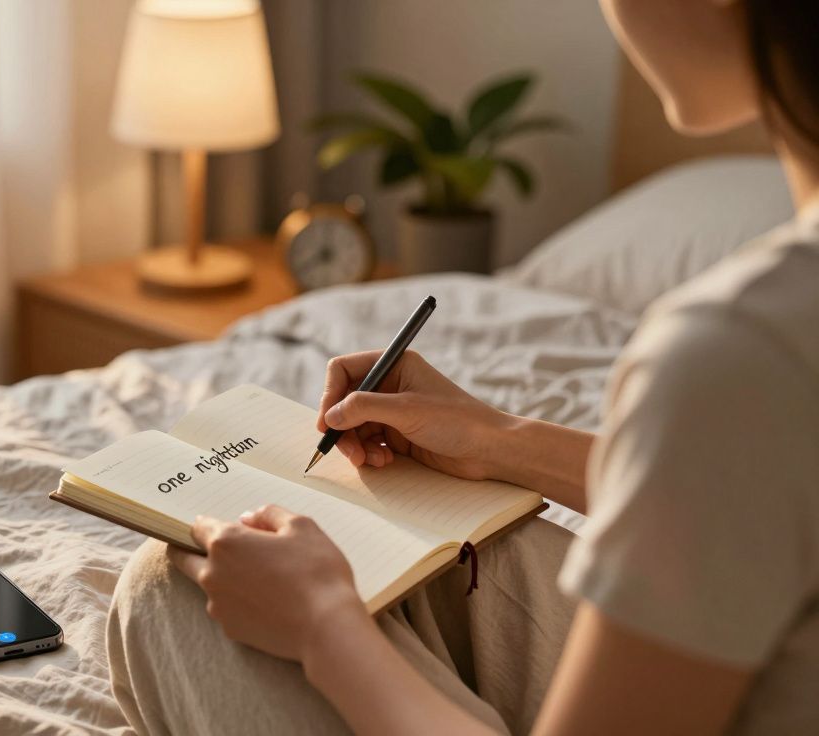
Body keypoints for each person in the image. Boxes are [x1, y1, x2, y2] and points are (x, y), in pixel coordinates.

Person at [106, 1, 819, 733]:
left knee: (180, 584)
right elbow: (761, 493)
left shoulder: (741, 350)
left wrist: (325, 625)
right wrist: (499, 439)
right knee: (474, 553)